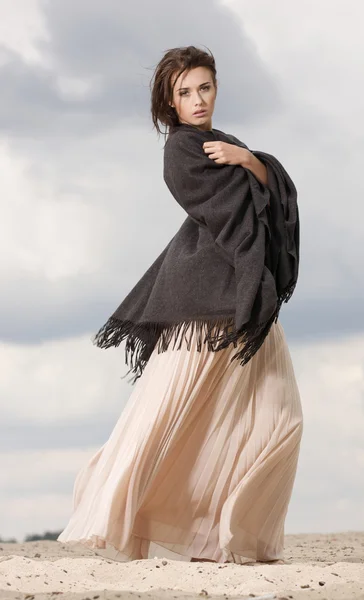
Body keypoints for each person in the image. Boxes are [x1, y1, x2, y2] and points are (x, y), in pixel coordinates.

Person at [57, 45, 303, 566]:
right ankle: (111, 513)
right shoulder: (181, 152)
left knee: (280, 417)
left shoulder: (226, 144)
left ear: (216, 88)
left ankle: (231, 532)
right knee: (163, 417)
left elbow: (271, 193)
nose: (197, 100)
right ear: (169, 103)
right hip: (203, 301)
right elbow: (234, 209)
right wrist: (254, 169)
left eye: (205, 88)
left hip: (243, 296)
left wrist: (251, 159)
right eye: (185, 92)